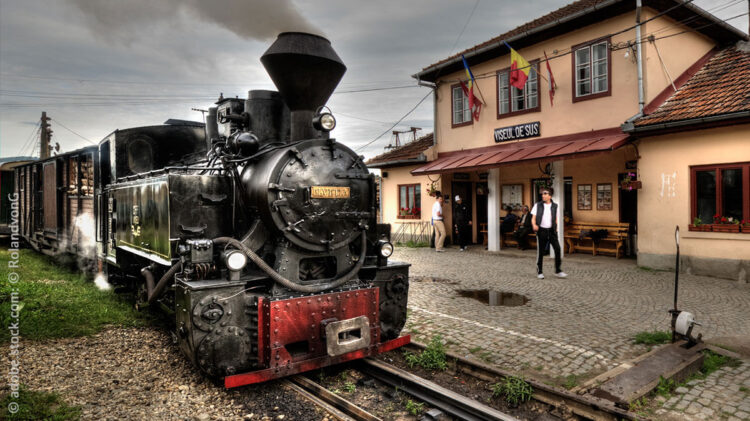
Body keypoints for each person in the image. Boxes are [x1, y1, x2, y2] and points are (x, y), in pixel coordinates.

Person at [531, 188, 567, 279]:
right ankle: (540, 272)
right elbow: (533, 218)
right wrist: (534, 225)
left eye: (545, 193)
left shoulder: (555, 206)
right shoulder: (537, 205)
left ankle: (558, 270)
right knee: (541, 252)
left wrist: (556, 229)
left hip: (552, 231)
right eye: (542, 194)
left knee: (558, 249)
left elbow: (555, 218)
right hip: (541, 230)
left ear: (550, 196)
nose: (543, 195)